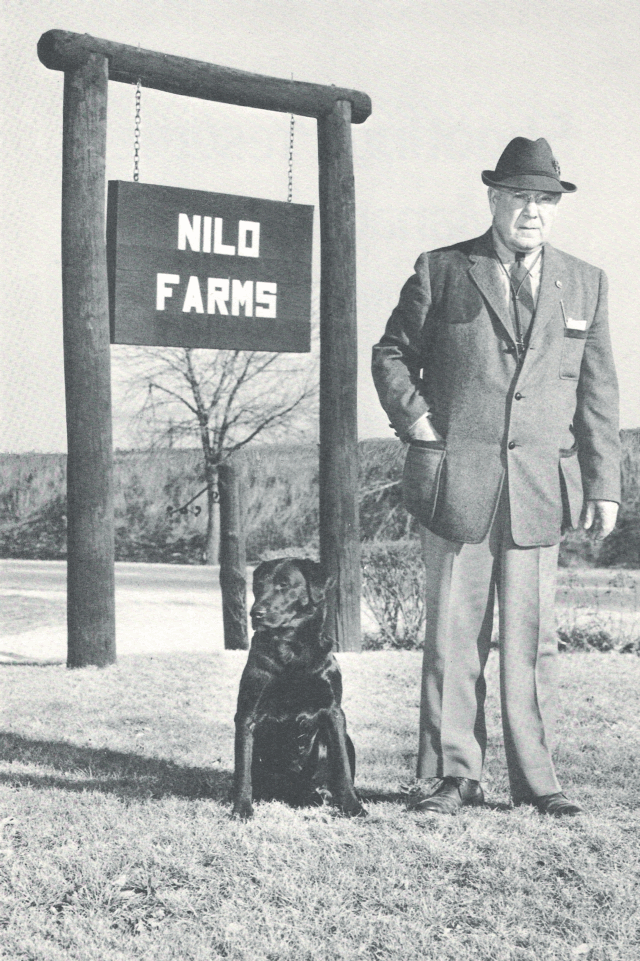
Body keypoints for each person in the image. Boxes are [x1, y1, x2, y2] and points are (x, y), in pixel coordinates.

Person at [371, 137, 621, 816]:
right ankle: (451, 775)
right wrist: (419, 424)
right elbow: (391, 354)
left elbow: (598, 392)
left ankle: (538, 780)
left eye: (544, 200)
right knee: (454, 636)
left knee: (533, 640)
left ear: (557, 208)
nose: (532, 212)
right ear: (494, 200)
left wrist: (604, 483)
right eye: (519, 198)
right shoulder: (443, 268)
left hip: (542, 487)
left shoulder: (587, 283)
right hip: (458, 486)